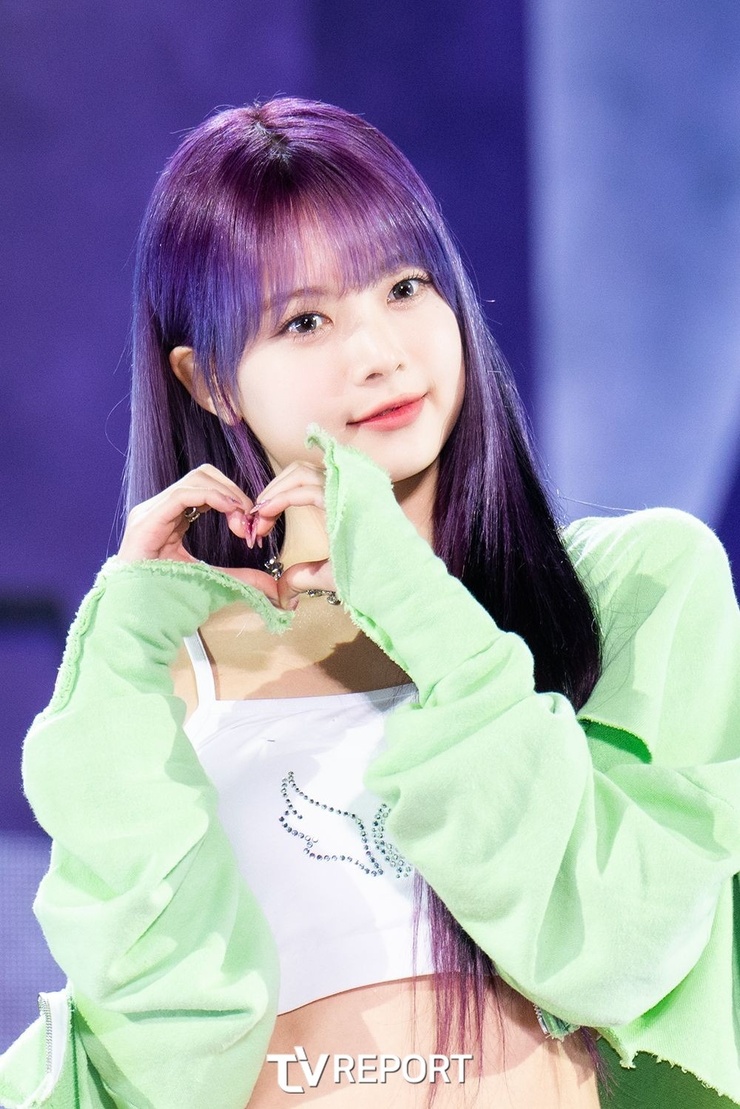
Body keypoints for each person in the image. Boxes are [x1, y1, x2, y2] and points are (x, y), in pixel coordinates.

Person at [0, 97, 739, 1109]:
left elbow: (615, 946)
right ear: (209, 381)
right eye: (304, 320)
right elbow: (165, 1056)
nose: (379, 351)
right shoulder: (169, 676)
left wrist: (411, 595)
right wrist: (123, 652)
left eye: (404, 286)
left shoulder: (632, 587)